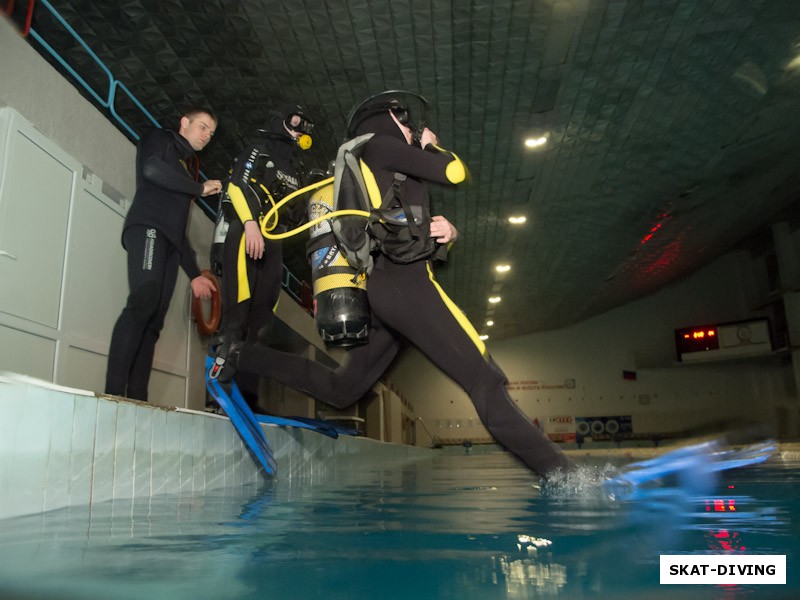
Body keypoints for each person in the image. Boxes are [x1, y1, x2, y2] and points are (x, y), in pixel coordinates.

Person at [227, 93, 571, 477]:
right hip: (406, 286)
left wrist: (446, 232)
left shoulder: (375, 161)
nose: (411, 130)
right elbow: (454, 171)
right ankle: (564, 477)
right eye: (407, 123)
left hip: (387, 289)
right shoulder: (382, 144)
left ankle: (239, 356)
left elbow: (396, 225)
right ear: (389, 117)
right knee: (482, 378)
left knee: (342, 389)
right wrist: (432, 144)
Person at [105, 107, 222, 401]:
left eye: (211, 132)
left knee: (155, 320)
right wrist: (198, 187)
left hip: (169, 243)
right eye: (203, 127)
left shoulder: (187, 167)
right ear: (185, 122)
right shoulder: (160, 139)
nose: (207, 136)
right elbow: (151, 169)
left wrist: (195, 274)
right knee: (143, 301)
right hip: (147, 228)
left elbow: (178, 228)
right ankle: (113, 394)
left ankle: (137, 398)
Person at [208, 107, 315, 386]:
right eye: (295, 124)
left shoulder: (297, 169)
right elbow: (235, 186)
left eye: (303, 128)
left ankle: (248, 396)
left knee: (261, 325)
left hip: (273, 243)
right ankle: (223, 375)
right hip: (247, 231)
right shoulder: (259, 151)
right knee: (238, 316)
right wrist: (250, 224)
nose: (299, 131)